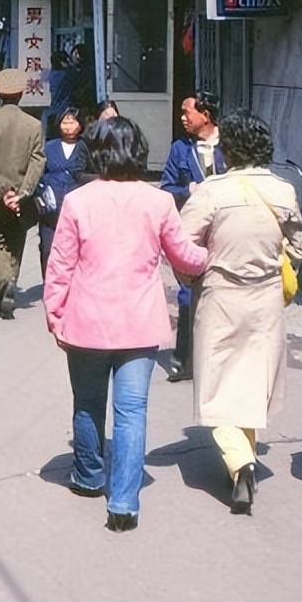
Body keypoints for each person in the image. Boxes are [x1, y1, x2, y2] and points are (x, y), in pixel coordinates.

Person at [43, 117, 207, 532]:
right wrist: (216, 254)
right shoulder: (159, 202)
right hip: (139, 324)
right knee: (132, 412)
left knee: (87, 403)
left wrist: (55, 315)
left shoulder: (78, 201)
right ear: (139, 151)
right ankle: (124, 504)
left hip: (86, 322)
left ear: (96, 153)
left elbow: (59, 266)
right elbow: (185, 258)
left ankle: (88, 475)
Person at [179, 110, 302, 515]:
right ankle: (242, 464)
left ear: (228, 151)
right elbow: (299, 247)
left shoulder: (211, 192)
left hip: (219, 295)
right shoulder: (283, 191)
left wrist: (192, 276)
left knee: (216, 383)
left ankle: (240, 463)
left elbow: (183, 246)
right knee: (251, 381)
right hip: (266, 297)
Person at [160, 92, 226, 382]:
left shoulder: (229, 143)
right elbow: (167, 187)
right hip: (194, 233)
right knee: (188, 296)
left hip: (226, 230)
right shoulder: (180, 149)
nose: (183, 118)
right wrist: (188, 191)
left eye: (187, 112)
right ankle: (184, 359)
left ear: (206, 115)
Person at [0, 68, 46, 319]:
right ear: (21, 94)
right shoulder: (34, 125)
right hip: (19, 194)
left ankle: (3, 280)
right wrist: (23, 192)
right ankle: (10, 281)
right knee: (15, 239)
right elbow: (38, 160)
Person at [37, 107, 91, 275]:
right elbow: (38, 173)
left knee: (75, 248)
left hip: (76, 206)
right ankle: (49, 281)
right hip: (51, 207)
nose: (68, 127)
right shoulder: (49, 147)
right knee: (48, 248)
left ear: (80, 125)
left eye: (72, 123)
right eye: (64, 123)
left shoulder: (86, 147)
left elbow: (93, 171)